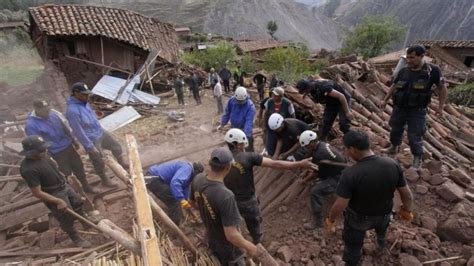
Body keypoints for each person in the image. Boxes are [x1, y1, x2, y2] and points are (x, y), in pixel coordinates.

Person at [327, 130, 414, 266]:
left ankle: (352, 262)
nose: (346, 152)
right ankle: (380, 247)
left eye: (346, 149)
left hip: (358, 219)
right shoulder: (392, 164)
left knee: (353, 247)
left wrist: (331, 219)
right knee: (381, 233)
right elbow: (407, 194)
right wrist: (407, 211)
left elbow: (340, 204)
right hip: (384, 214)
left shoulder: (350, 174)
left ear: (353, 149)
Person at [224, 128, 317, 244]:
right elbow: (275, 163)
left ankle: (235, 236)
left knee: (232, 221)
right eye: (242, 143)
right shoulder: (249, 157)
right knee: (253, 220)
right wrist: (299, 163)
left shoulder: (220, 158)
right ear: (237, 144)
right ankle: (257, 240)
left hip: (228, 198)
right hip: (247, 200)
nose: (243, 146)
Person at [380, 45, 447, 170]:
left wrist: (441, 107)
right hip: (399, 107)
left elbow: (442, 88)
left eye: (413, 58)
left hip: (417, 110)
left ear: (422, 56)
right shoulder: (404, 71)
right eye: (408, 58)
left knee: (414, 135)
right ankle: (394, 147)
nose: (409, 60)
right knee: (395, 129)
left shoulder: (432, 70)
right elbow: (394, 86)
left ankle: (417, 159)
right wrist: (385, 100)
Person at [19, 135, 92, 248]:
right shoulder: (28, 169)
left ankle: (86, 222)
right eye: (42, 150)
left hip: (64, 185)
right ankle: (76, 238)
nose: (46, 150)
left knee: (77, 203)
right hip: (54, 193)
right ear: (31, 153)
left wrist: (65, 178)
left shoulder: (44, 156)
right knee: (66, 217)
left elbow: (54, 169)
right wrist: (57, 201)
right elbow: (37, 192)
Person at [191, 147, 258, 265]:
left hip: (211, 238)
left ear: (209, 163)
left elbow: (191, 202)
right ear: (228, 167)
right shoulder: (226, 196)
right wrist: (249, 246)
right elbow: (231, 235)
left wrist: (208, 212)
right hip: (229, 249)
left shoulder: (198, 179)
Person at [26, 100, 99, 194]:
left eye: (48, 109)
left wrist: (73, 140)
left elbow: (65, 127)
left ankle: (86, 187)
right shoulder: (31, 125)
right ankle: (76, 195)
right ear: (37, 110)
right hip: (55, 153)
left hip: (68, 146)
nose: (48, 112)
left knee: (79, 167)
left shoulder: (54, 114)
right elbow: (37, 144)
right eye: (45, 111)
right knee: (66, 174)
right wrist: (48, 157)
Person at [66, 82, 126, 188]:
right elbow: (78, 131)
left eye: (87, 94)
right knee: (98, 159)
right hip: (91, 138)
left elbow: (92, 117)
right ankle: (104, 179)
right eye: (84, 94)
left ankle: (122, 163)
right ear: (76, 93)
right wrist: (89, 146)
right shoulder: (72, 111)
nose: (87, 96)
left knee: (116, 146)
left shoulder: (85, 103)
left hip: (99, 131)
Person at [298, 130, 348, 229]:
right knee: (318, 181)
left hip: (339, 178)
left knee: (315, 192)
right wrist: (305, 172)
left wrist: (304, 181)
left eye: (307, 146)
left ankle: (318, 222)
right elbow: (316, 164)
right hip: (342, 170)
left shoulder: (319, 155)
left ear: (312, 142)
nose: (307, 149)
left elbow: (316, 173)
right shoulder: (322, 145)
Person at [146, 160, 204, 225]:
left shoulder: (188, 177)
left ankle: (174, 221)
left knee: (176, 198)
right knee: (174, 200)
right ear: (196, 172)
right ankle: (174, 226)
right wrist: (182, 200)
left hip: (155, 179)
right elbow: (175, 183)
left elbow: (185, 194)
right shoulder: (187, 169)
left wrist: (188, 208)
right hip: (152, 178)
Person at [261, 87, 296, 156]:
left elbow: (293, 116)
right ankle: (269, 151)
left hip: (283, 129)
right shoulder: (269, 102)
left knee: (283, 147)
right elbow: (265, 114)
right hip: (271, 128)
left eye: (275, 95)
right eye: (273, 94)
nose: (273, 96)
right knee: (270, 149)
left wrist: (291, 127)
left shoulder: (288, 104)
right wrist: (264, 125)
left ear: (281, 96)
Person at [220, 86, 256, 152]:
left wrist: (245, 137)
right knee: (234, 149)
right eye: (239, 101)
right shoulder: (231, 101)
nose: (240, 103)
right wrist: (222, 123)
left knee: (248, 150)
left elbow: (249, 123)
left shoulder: (250, 107)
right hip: (234, 128)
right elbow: (227, 113)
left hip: (245, 130)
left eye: (242, 101)